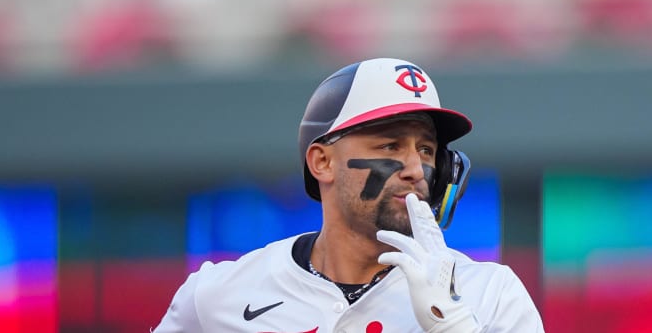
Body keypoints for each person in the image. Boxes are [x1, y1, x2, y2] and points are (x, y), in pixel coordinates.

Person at [152, 58, 545, 332]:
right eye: (390, 146)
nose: (414, 168)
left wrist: (453, 325)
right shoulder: (219, 295)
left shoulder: (490, 292)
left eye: (426, 150)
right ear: (322, 161)